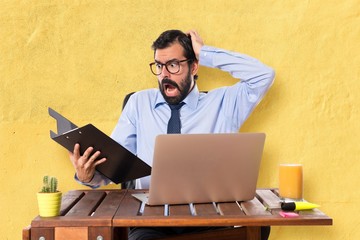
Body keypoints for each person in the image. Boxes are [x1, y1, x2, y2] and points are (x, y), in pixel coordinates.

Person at [69, 29, 275, 240]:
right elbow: (115, 162)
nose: (164, 74)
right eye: (159, 66)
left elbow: (263, 76)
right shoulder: (139, 104)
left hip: (209, 220)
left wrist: (205, 53)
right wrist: (90, 175)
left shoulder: (223, 104)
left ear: (194, 66)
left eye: (173, 65)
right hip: (151, 222)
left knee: (258, 229)